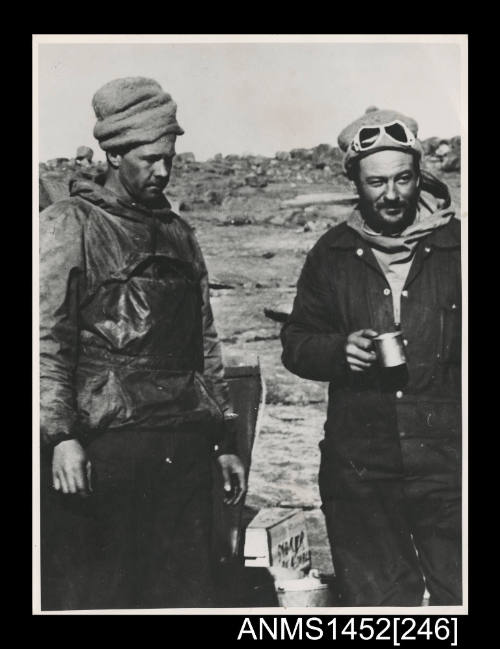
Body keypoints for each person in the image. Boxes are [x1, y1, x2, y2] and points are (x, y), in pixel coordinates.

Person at [39, 77, 246, 610]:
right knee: (99, 595)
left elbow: (205, 342)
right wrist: (60, 438)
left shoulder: (179, 234)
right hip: (102, 453)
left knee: (184, 596)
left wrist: (224, 443)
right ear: (111, 153)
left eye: (170, 158)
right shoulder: (69, 224)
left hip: (181, 451)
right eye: (149, 159)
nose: (163, 172)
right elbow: (47, 341)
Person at [281, 108, 462, 606]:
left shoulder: (457, 247)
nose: (391, 194)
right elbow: (296, 342)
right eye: (376, 181)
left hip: (449, 467)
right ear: (355, 184)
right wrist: (339, 352)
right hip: (362, 469)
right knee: (380, 612)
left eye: (403, 179)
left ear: (418, 175)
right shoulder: (332, 254)